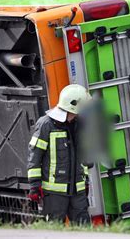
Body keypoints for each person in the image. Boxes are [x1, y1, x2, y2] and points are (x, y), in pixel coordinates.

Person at [27, 84, 92, 224]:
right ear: (73, 106)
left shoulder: (80, 124)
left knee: (85, 230)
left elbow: (84, 157)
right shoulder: (46, 125)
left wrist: (85, 180)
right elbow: (35, 157)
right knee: (55, 231)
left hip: (78, 191)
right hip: (54, 194)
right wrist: (34, 186)